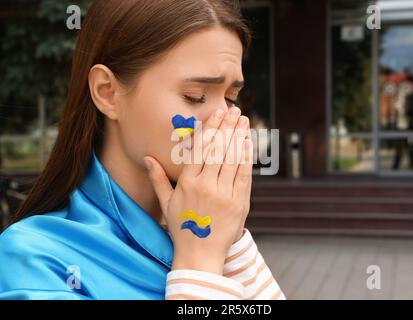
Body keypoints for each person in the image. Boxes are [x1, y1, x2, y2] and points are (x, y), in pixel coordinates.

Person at [0, 0, 286, 300]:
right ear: (108, 93)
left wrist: (232, 241)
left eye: (230, 98)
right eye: (195, 96)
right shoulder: (33, 260)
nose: (224, 120)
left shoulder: (212, 234)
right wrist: (200, 261)